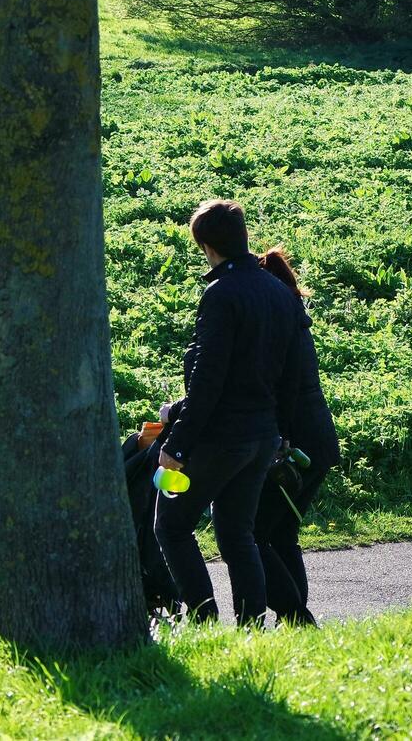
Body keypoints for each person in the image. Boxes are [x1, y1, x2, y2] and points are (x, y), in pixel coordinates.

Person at [154, 199, 304, 625]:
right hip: (263, 436)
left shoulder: (220, 294)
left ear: (205, 245)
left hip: (222, 436)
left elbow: (207, 380)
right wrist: (283, 434)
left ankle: (203, 620)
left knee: (172, 527)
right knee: (239, 535)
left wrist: (177, 445)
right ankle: (251, 624)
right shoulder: (278, 292)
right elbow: (292, 375)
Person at [253, 247, 339, 626]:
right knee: (283, 533)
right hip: (319, 439)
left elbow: (283, 391)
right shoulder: (296, 319)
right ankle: (294, 620)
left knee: (252, 534)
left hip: (297, 442)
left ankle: (296, 616)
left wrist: (279, 437)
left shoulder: (278, 324)